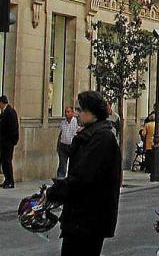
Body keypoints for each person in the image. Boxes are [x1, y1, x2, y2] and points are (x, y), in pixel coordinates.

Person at [46, 91, 122, 256]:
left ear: (92, 112)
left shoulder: (102, 138)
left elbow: (82, 177)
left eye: (80, 110)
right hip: (82, 217)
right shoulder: (92, 134)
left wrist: (53, 192)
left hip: (88, 218)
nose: (76, 114)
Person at [0, 95, 19, 188]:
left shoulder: (10, 112)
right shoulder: (4, 112)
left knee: (7, 161)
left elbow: (13, 128)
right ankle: (7, 180)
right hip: (4, 142)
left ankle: (10, 181)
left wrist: (10, 141)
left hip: (8, 142)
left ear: (2, 103)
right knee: (4, 162)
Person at [56, 107, 78, 179]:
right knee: (62, 164)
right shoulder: (63, 123)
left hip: (72, 146)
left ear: (72, 113)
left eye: (68, 112)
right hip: (63, 145)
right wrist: (58, 145)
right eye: (65, 112)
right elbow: (60, 134)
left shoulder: (76, 122)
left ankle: (71, 179)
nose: (66, 113)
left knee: (73, 164)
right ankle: (60, 179)